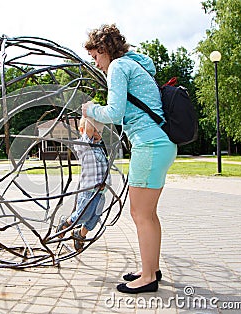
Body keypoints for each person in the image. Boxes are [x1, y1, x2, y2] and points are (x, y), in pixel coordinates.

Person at [81, 24, 177, 294]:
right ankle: (151, 268)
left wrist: (89, 109)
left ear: (104, 49)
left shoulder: (118, 67)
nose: (97, 64)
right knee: (148, 214)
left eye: (96, 57)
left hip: (149, 144)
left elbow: (114, 112)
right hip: (160, 143)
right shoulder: (136, 65)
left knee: (140, 214)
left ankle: (147, 278)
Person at [56, 116, 111, 252]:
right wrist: (89, 114)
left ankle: (79, 235)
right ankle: (65, 223)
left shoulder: (99, 148)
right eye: (95, 131)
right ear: (83, 130)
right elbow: (89, 129)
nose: (98, 135)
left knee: (94, 218)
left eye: (101, 132)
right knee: (83, 215)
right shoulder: (83, 146)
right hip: (88, 191)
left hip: (101, 192)